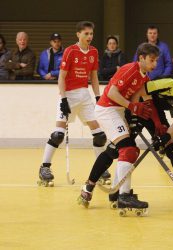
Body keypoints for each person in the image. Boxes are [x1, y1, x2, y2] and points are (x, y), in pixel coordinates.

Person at [78, 59, 173, 209]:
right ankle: (89, 186)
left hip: (155, 115)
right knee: (117, 149)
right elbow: (141, 91)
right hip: (139, 108)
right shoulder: (168, 81)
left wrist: (165, 135)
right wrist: (132, 114)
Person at [77, 42, 159, 213]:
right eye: (152, 60)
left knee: (115, 150)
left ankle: (100, 188)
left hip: (119, 111)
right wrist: (132, 107)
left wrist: (155, 124)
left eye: (156, 61)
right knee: (128, 150)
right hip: (107, 110)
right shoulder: (129, 69)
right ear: (141, 58)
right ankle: (124, 196)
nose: (155, 64)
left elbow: (141, 96)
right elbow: (112, 93)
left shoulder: (144, 76)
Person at [37, 21, 108, 187]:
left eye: (91, 34)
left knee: (99, 136)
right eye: (86, 34)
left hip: (84, 96)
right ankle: (44, 167)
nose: (89, 37)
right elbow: (61, 77)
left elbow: (94, 76)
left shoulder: (94, 52)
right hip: (68, 95)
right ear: (78, 34)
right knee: (58, 135)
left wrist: (98, 97)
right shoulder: (70, 51)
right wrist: (62, 100)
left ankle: (101, 168)